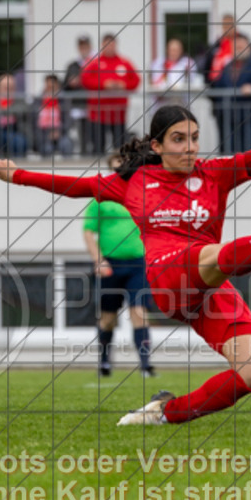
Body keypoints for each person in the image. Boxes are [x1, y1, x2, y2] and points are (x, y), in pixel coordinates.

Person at [0, 80, 251, 425]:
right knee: (208, 253)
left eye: (195, 138)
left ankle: (164, 412)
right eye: (179, 139)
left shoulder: (214, 174)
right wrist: (17, 175)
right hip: (168, 277)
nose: (190, 148)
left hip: (211, 284)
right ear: (156, 145)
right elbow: (74, 187)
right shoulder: (135, 181)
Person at [83, 154, 156, 378]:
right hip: (110, 265)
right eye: (118, 164)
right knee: (108, 317)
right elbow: (88, 231)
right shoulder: (101, 195)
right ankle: (104, 363)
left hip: (138, 263)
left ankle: (145, 365)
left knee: (139, 312)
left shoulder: (144, 192)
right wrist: (99, 259)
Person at [212, 33, 251, 154]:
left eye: (241, 47)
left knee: (248, 147)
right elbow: (219, 84)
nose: (238, 50)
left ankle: (248, 172)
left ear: (248, 47)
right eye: (236, 47)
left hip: (249, 114)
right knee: (229, 148)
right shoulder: (228, 66)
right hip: (228, 114)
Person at [80, 33, 140, 154]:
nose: (109, 47)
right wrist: (104, 84)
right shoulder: (94, 62)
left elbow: (136, 80)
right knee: (98, 147)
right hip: (98, 114)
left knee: (120, 148)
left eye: (112, 44)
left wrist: (123, 85)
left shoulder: (124, 62)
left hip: (118, 114)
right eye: (107, 45)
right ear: (102, 45)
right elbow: (85, 80)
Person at [198, 14, 238, 152]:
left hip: (238, 101)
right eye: (224, 25)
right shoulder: (216, 45)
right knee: (223, 134)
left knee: (238, 134)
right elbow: (206, 68)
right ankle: (224, 161)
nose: (227, 28)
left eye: (229, 25)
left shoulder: (242, 43)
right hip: (219, 99)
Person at [63, 35, 94, 154]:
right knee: (81, 134)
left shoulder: (95, 63)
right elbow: (64, 86)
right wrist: (71, 83)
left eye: (86, 46)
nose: (84, 48)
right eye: (81, 46)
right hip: (78, 106)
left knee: (93, 133)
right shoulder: (72, 65)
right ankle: (83, 152)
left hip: (92, 105)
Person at [150, 38, 201, 109]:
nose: (174, 52)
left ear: (181, 50)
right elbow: (154, 82)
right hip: (162, 104)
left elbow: (193, 81)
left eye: (177, 50)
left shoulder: (187, 63)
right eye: (172, 50)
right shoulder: (158, 63)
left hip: (181, 103)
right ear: (167, 50)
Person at [35, 74, 73, 156]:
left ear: (57, 86)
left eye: (53, 87)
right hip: (44, 135)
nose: (50, 90)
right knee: (46, 148)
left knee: (66, 144)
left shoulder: (63, 101)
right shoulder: (38, 101)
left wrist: (59, 131)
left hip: (61, 134)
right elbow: (34, 122)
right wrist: (47, 134)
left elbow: (68, 120)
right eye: (48, 87)